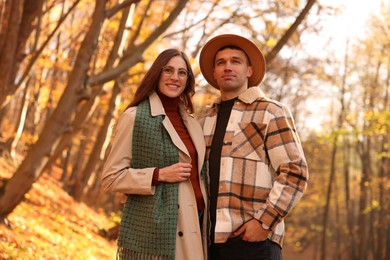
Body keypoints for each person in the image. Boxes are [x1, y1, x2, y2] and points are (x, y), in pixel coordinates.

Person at [198, 34, 309, 260]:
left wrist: (263, 222)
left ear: (249, 71)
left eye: (235, 61)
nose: (227, 66)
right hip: (208, 245)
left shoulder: (271, 112)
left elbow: (295, 172)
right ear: (214, 73)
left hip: (254, 244)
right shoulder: (203, 122)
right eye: (221, 62)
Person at [101, 49, 208, 260]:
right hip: (161, 230)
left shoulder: (194, 124)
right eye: (168, 70)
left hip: (198, 223)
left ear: (188, 80)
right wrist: (158, 175)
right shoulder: (135, 117)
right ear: (156, 74)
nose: (174, 78)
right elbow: (110, 178)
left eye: (182, 73)